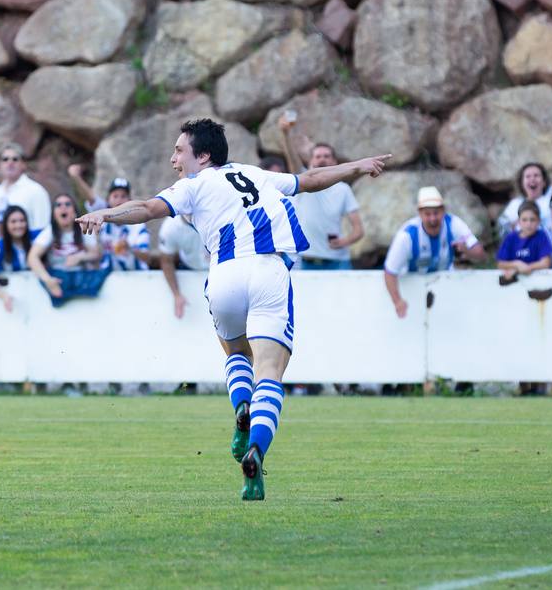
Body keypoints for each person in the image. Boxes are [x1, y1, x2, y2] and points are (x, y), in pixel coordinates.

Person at [77, 118, 390, 501]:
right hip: (269, 270)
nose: (174, 158)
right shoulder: (254, 173)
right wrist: (357, 166)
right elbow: (310, 180)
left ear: (203, 156)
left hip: (224, 275)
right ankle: (256, 447)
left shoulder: (191, 185)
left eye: (180, 150)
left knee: (235, 352)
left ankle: (241, 407)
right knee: (270, 371)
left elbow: (145, 207)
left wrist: (104, 214)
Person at [276, 117, 362, 271]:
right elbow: (293, 162)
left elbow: (359, 230)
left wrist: (344, 241)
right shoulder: (303, 183)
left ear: (335, 162)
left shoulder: (343, 189)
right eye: (318, 156)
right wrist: (286, 135)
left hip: (338, 262)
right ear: (311, 162)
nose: (322, 160)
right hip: (306, 260)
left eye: (326, 156)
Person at [383, 184, 486, 297]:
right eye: (427, 214)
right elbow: (390, 271)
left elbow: (481, 255)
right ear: (420, 213)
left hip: (444, 286)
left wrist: (467, 251)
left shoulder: (454, 224)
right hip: (410, 289)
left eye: (436, 213)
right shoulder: (407, 236)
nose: (432, 219)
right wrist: (398, 302)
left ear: (443, 211)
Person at [496, 105, 552, 238]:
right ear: (522, 182)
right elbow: (502, 233)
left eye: (536, 176)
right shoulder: (514, 206)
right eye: (528, 176)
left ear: (544, 182)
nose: (532, 179)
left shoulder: (550, 198)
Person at [29, 195, 106, 307]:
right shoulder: (50, 231)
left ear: (74, 211)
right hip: (59, 279)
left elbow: (96, 254)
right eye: (58, 205)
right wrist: (47, 280)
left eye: (68, 204)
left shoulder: (82, 228)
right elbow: (32, 257)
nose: (63, 208)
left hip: (81, 277)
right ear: (54, 213)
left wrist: (80, 257)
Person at [0, 205, 33, 311]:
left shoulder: (35, 238)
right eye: (13, 221)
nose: (18, 225)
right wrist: (4, 296)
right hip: (15, 298)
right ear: (6, 224)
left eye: (22, 220)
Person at [156, 214, 205, 319]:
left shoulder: (216, 216)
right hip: (188, 267)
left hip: (220, 266)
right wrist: (176, 294)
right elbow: (166, 261)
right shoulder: (170, 227)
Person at [97, 179, 152, 272]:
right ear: (108, 200)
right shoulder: (101, 225)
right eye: (115, 196)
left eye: (123, 196)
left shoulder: (139, 225)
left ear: (130, 201)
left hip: (136, 277)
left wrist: (129, 248)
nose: (119, 200)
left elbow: (147, 259)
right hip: (109, 278)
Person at [0, 143, 51, 233]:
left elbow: (43, 229)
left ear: (23, 164)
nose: (10, 163)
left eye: (15, 159)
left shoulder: (35, 190)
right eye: (5, 159)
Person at [496, 200, 552, 280]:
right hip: (515, 282)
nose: (528, 224)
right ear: (518, 222)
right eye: (524, 220)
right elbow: (500, 264)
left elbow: (546, 263)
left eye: (532, 220)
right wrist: (517, 264)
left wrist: (524, 268)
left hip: (537, 280)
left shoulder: (541, 236)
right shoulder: (511, 238)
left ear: (539, 221)